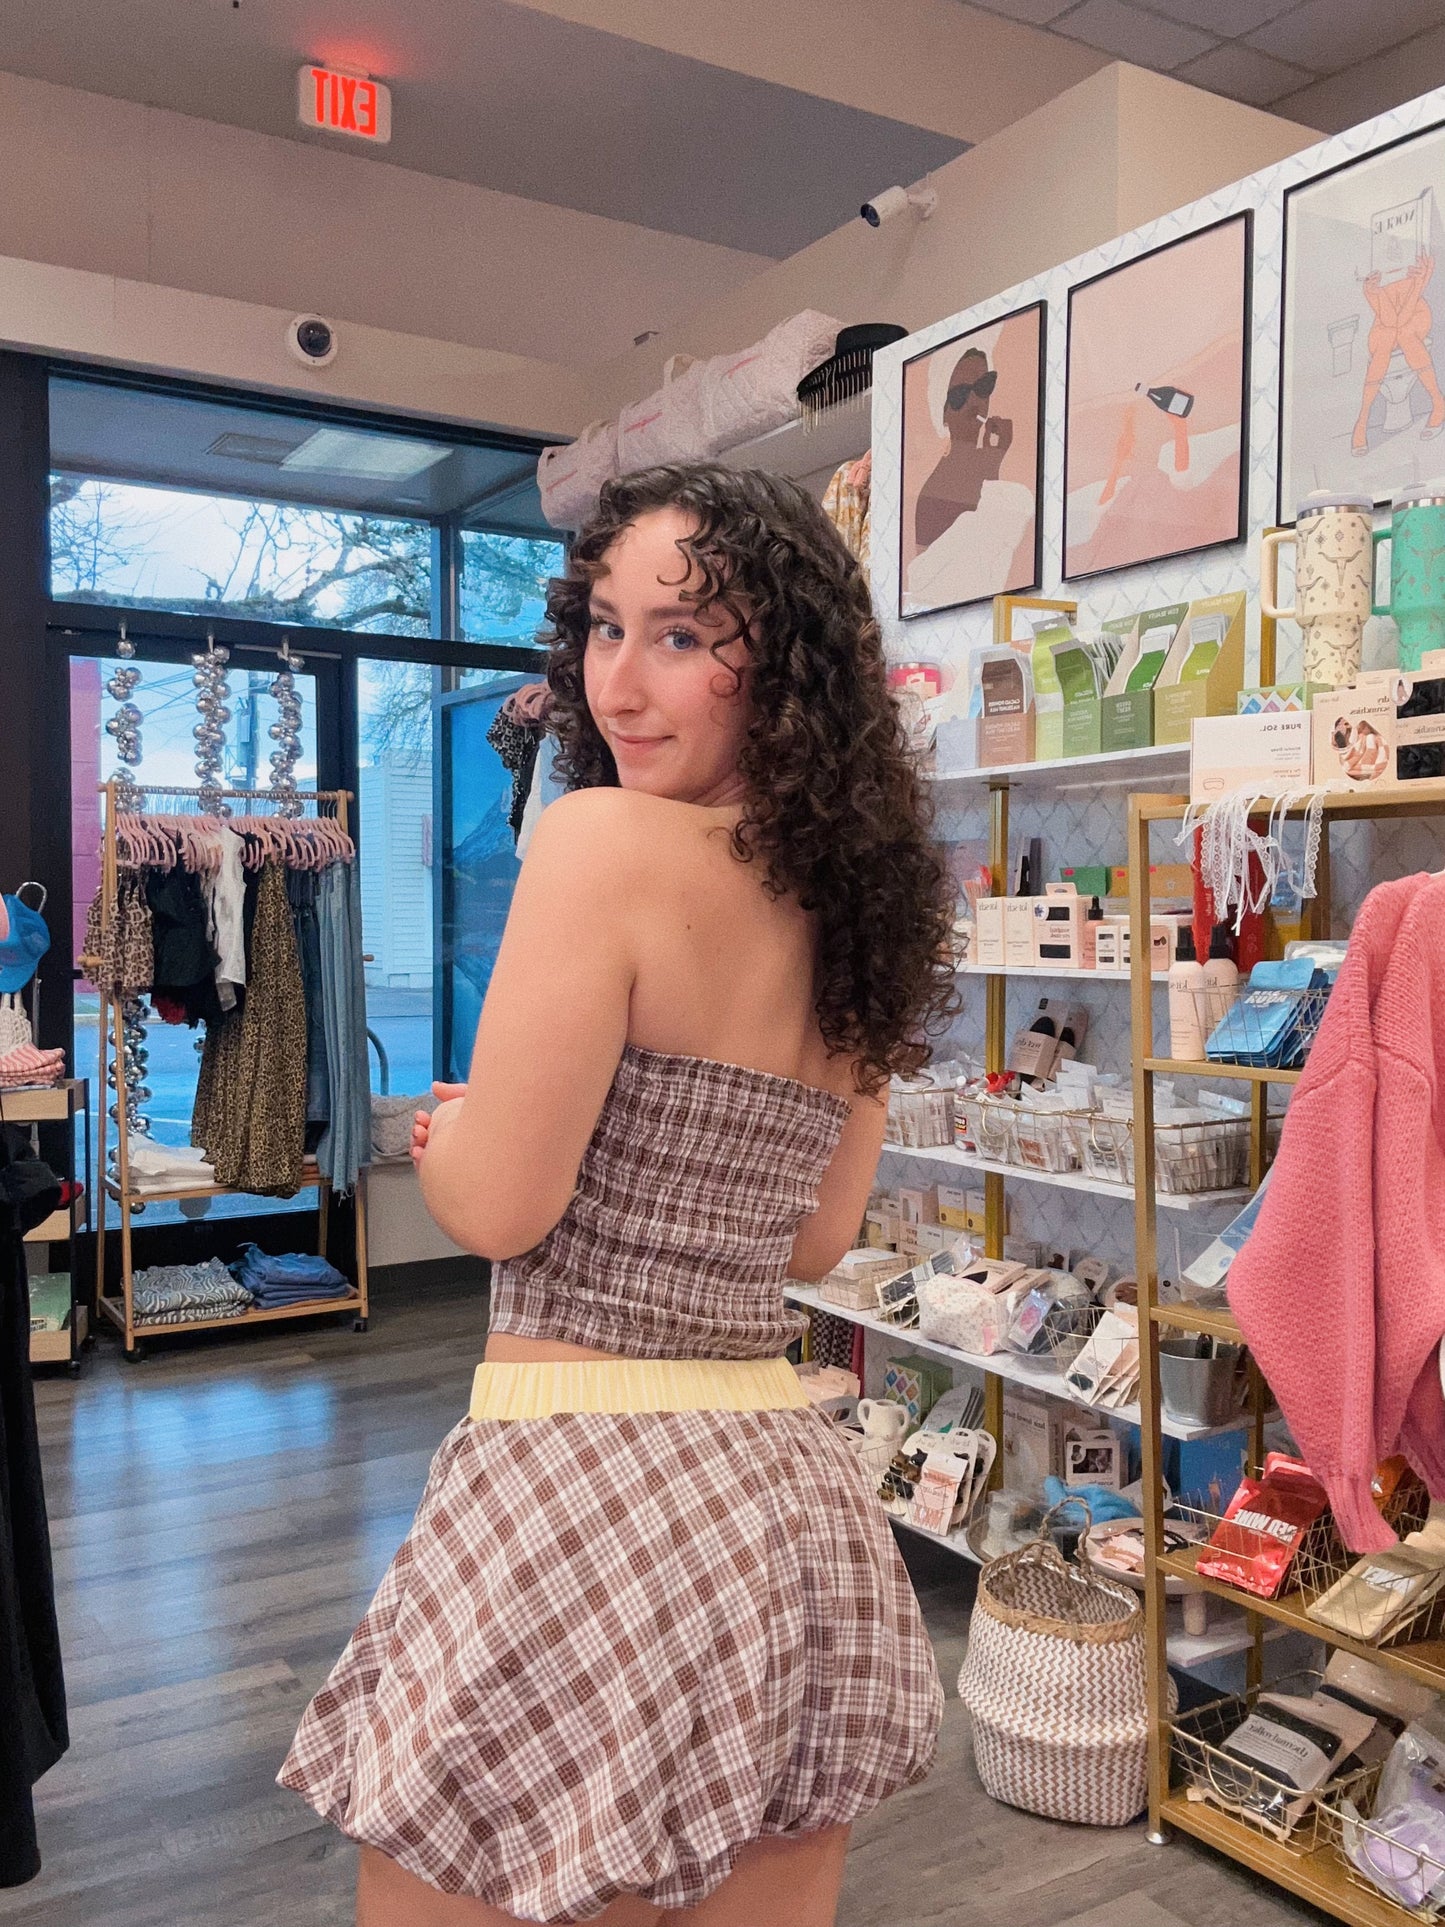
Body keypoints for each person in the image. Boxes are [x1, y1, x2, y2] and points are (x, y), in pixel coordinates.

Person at [279, 464, 959, 1926]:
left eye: (681, 636)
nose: (619, 686)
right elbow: (820, 1237)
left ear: (779, 666)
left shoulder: (596, 841)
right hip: (781, 1501)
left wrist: (440, 1135)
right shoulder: (859, 905)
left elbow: (501, 1209)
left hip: (578, 1482)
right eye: (602, 627)